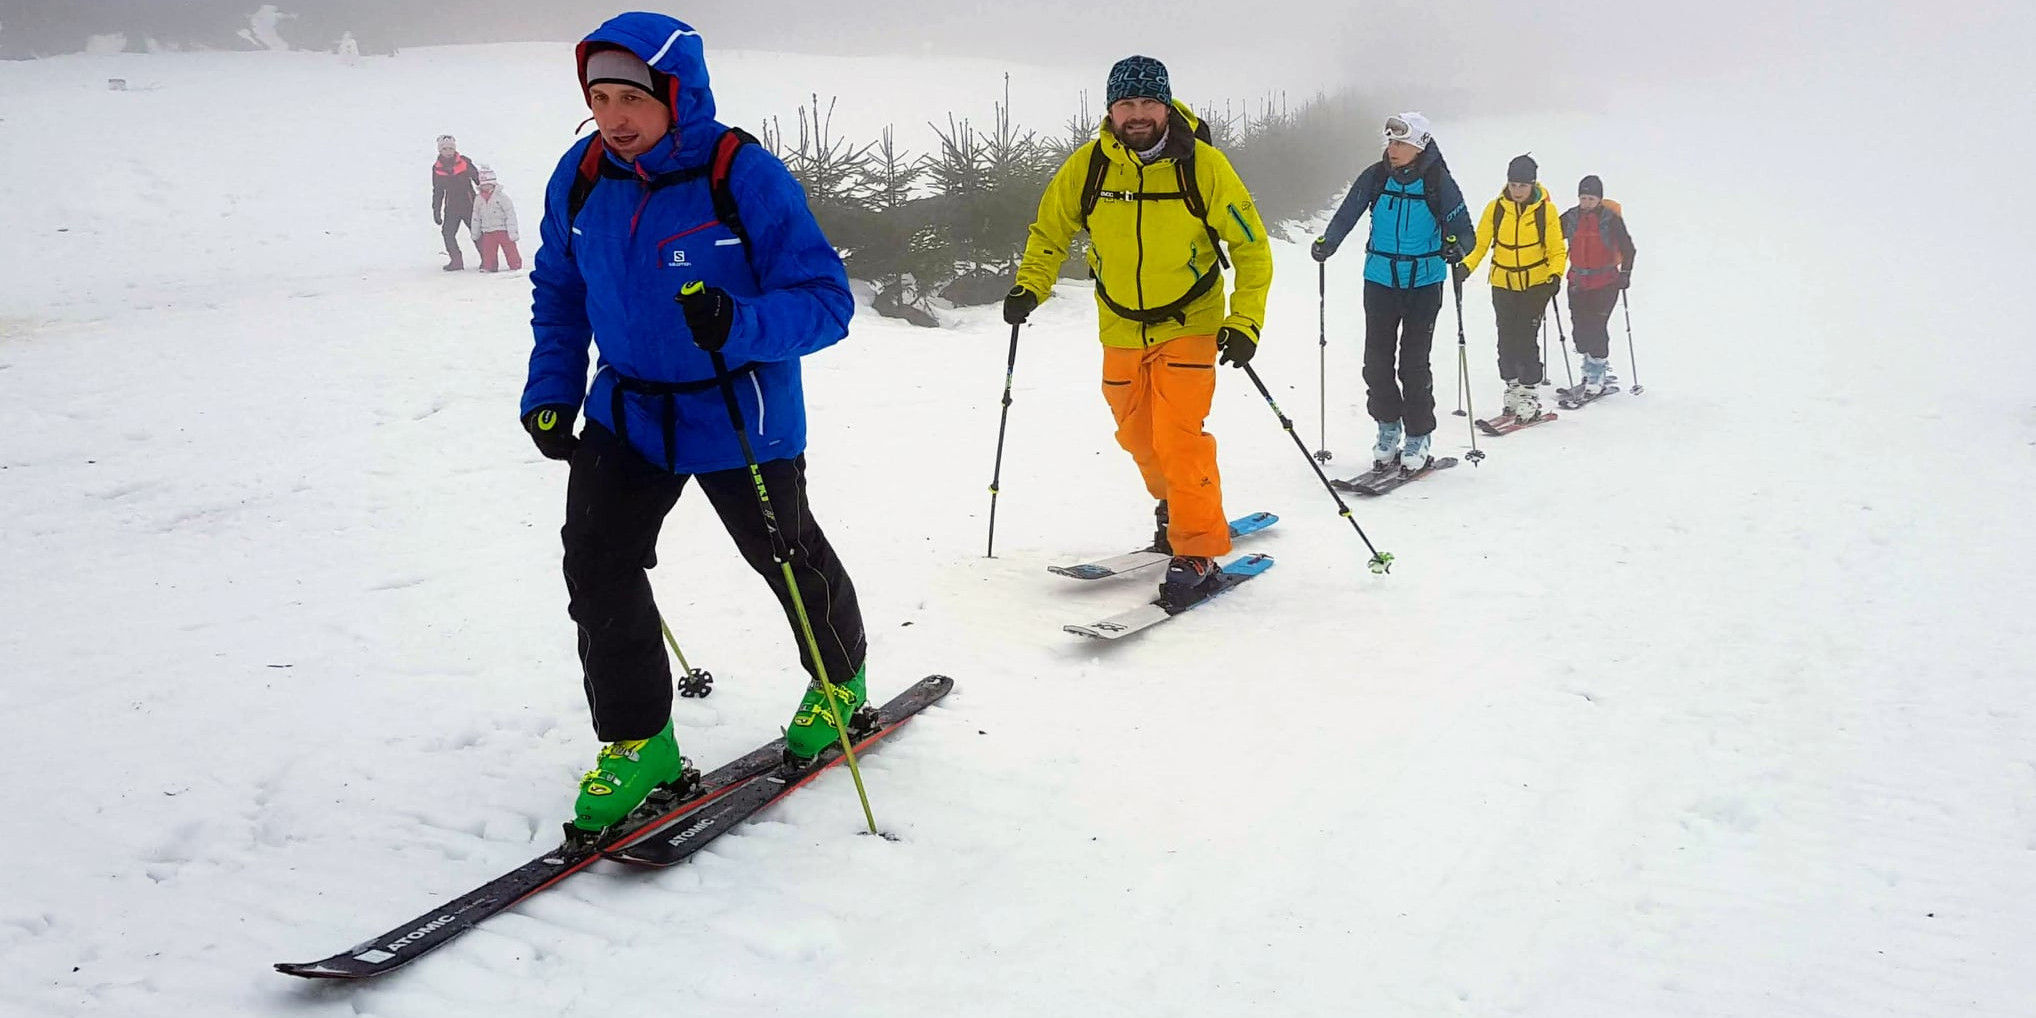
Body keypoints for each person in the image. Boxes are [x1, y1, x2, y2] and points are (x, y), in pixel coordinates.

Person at [520, 12, 867, 835]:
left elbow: (827, 302)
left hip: (738, 408)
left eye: (631, 98)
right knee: (597, 563)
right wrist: (551, 389)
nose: (614, 116)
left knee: (783, 554)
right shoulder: (580, 176)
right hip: (628, 407)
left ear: (676, 94)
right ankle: (641, 740)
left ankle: (840, 683)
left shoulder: (739, 173)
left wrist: (738, 321)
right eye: (599, 98)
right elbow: (560, 293)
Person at [1005, 55, 1273, 606]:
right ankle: (1176, 504)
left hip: (1191, 319)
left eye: (1149, 102)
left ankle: (1196, 548)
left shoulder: (1204, 166)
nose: (1138, 114)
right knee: (1136, 435)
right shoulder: (1090, 167)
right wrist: (1030, 285)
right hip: (1120, 323)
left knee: (1178, 435)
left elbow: (1252, 246)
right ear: (1111, 109)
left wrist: (1243, 320)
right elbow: (1050, 231)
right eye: (1126, 103)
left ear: (1166, 105)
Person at [1311, 112, 1476, 471]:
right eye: (1390, 142)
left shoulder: (1438, 182)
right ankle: (1388, 428)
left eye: (1400, 142)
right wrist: (1328, 243)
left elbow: (1466, 232)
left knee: (1414, 365)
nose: (1392, 149)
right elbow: (1348, 212)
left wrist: (1456, 249)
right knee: (1376, 364)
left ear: (1419, 145)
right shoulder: (1375, 176)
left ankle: (1418, 436)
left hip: (1424, 283)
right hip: (1380, 281)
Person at [1458, 154, 1568, 422]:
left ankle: (1529, 393)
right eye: (1513, 184)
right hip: (1502, 283)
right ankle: (1512, 388)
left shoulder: (1546, 211)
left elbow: (1556, 249)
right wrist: (1466, 266)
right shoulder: (1495, 208)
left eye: (1523, 185)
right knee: (1505, 339)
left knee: (1526, 339)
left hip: (1535, 285)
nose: (1517, 190)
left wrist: (1555, 276)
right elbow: (1480, 244)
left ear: (1533, 184)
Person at [1559, 174, 1636, 396]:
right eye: (1583, 198)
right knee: (1579, 330)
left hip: (1605, 283)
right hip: (1577, 282)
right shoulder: (1571, 217)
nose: (1587, 203)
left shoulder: (1610, 219)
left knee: (1596, 328)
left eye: (1591, 199)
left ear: (1599, 199)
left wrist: (1626, 273)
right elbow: (1551, 238)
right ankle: (1589, 365)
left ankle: (1597, 373)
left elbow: (1628, 248)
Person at [431, 135, 480, 271]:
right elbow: (438, 191)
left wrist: (487, 198)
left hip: (469, 204)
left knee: (476, 232)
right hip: (451, 207)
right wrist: (436, 210)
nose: (448, 152)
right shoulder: (437, 168)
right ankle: (456, 261)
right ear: (440, 150)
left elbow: (479, 180)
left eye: (451, 148)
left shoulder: (464, 162)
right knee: (447, 233)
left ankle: (487, 259)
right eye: (445, 149)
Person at [471, 165, 522, 272]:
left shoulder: (502, 197)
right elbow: (476, 217)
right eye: (483, 185)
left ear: (493, 184)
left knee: (510, 249)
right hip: (488, 230)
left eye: (488, 185)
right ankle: (489, 266)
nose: (486, 187)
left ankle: (515, 265)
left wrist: (513, 232)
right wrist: (475, 232)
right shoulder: (478, 199)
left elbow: (510, 214)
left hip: (503, 229)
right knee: (488, 250)